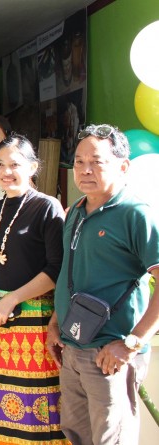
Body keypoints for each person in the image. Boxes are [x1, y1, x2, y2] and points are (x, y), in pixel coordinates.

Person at [46, 124, 159, 444]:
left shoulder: (135, 213)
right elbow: (71, 271)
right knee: (77, 434)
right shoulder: (75, 213)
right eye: (79, 161)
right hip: (73, 346)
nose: (85, 170)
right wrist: (57, 321)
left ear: (123, 166)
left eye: (96, 161)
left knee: (111, 438)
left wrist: (132, 343)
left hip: (111, 353)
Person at [0, 135, 67, 444]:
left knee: (41, 406)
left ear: (32, 167)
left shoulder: (47, 207)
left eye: (14, 164)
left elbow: (56, 269)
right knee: (4, 405)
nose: (5, 172)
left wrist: (12, 299)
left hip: (38, 321)